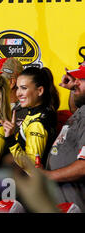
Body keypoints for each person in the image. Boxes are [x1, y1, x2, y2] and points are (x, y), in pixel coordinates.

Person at [43, 64, 85, 211]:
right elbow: (74, 108)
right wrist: (74, 88)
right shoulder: (81, 111)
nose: (75, 82)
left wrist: (47, 176)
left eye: (81, 79)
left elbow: (84, 166)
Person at [3, 66, 59, 169]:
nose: (18, 93)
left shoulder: (37, 124)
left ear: (40, 91)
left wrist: (10, 140)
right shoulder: (37, 112)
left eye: (24, 88)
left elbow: (32, 168)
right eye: (18, 87)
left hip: (27, 183)